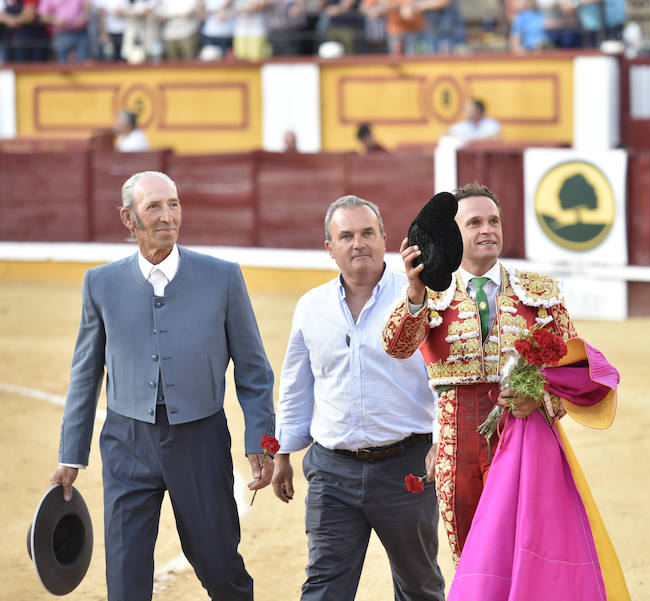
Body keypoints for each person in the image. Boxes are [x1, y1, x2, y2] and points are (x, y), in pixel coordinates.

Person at [48, 170, 276, 601]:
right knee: (125, 576)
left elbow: (253, 369)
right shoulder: (100, 283)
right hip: (126, 443)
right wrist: (70, 455)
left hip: (200, 439)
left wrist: (259, 438)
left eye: (173, 204)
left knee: (219, 566)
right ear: (127, 218)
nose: (167, 215)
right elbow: (85, 375)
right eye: (154, 206)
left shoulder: (222, 277)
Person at [381, 182, 578, 562]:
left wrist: (541, 399)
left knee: (528, 551)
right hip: (458, 447)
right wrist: (415, 290)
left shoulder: (541, 293)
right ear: (454, 233)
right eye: (474, 222)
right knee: (472, 557)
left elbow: (576, 371)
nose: (487, 229)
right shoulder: (429, 294)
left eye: (493, 221)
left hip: (526, 435)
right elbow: (396, 346)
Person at [272, 195, 445, 601]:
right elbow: (297, 385)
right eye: (345, 236)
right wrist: (283, 452)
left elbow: (445, 378)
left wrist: (442, 440)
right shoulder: (311, 307)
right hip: (333, 471)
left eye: (368, 233)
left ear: (385, 238)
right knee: (324, 586)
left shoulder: (422, 296)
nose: (358, 243)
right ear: (330, 248)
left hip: (407, 466)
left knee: (419, 585)